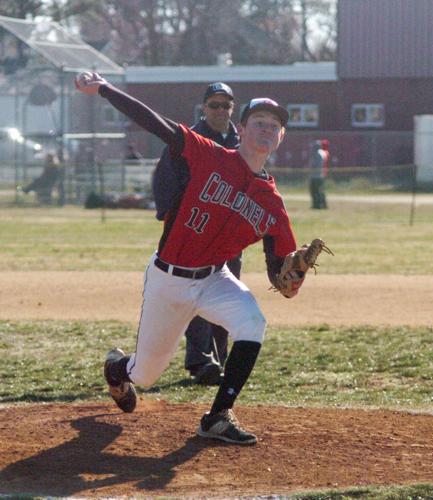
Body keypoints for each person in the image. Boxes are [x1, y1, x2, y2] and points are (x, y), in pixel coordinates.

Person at [75, 71, 305, 445]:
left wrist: (293, 277)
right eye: (259, 122)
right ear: (241, 129)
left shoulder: (273, 206)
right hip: (169, 279)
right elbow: (156, 123)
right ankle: (117, 368)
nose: (267, 129)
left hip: (215, 280)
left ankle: (217, 416)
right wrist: (104, 89)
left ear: (281, 137)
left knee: (252, 322)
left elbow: (283, 279)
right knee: (146, 373)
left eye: (275, 125)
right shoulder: (208, 153)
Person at [152, 82, 240, 386]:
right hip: (196, 229)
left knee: (226, 296)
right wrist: (172, 215)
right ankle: (201, 360)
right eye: (214, 105)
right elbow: (165, 176)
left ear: (232, 108)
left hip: (229, 233)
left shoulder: (240, 142)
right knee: (199, 294)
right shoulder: (190, 139)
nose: (220, 110)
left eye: (225, 105)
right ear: (203, 108)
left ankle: (222, 358)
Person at [309, 139, 330, 209]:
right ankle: (321, 205)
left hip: (316, 176)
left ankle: (317, 205)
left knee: (316, 191)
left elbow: (315, 164)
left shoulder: (318, 153)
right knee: (319, 191)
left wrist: (310, 165)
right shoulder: (321, 153)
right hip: (319, 175)